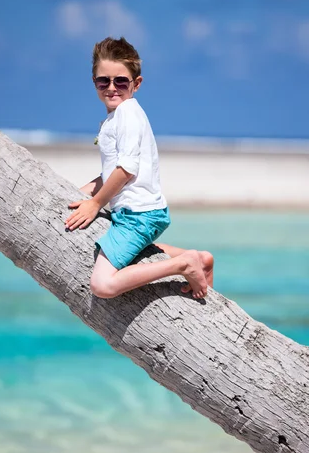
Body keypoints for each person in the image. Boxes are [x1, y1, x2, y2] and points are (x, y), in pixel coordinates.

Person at [65, 37, 213, 299]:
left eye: (120, 81)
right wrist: (83, 192)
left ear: (136, 84)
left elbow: (126, 170)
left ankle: (184, 263)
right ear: (94, 83)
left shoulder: (127, 114)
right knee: (144, 249)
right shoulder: (115, 118)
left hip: (138, 216)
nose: (112, 87)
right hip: (136, 213)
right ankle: (201, 259)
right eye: (104, 81)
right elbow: (110, 173)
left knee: (103, 286)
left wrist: (96, 203)